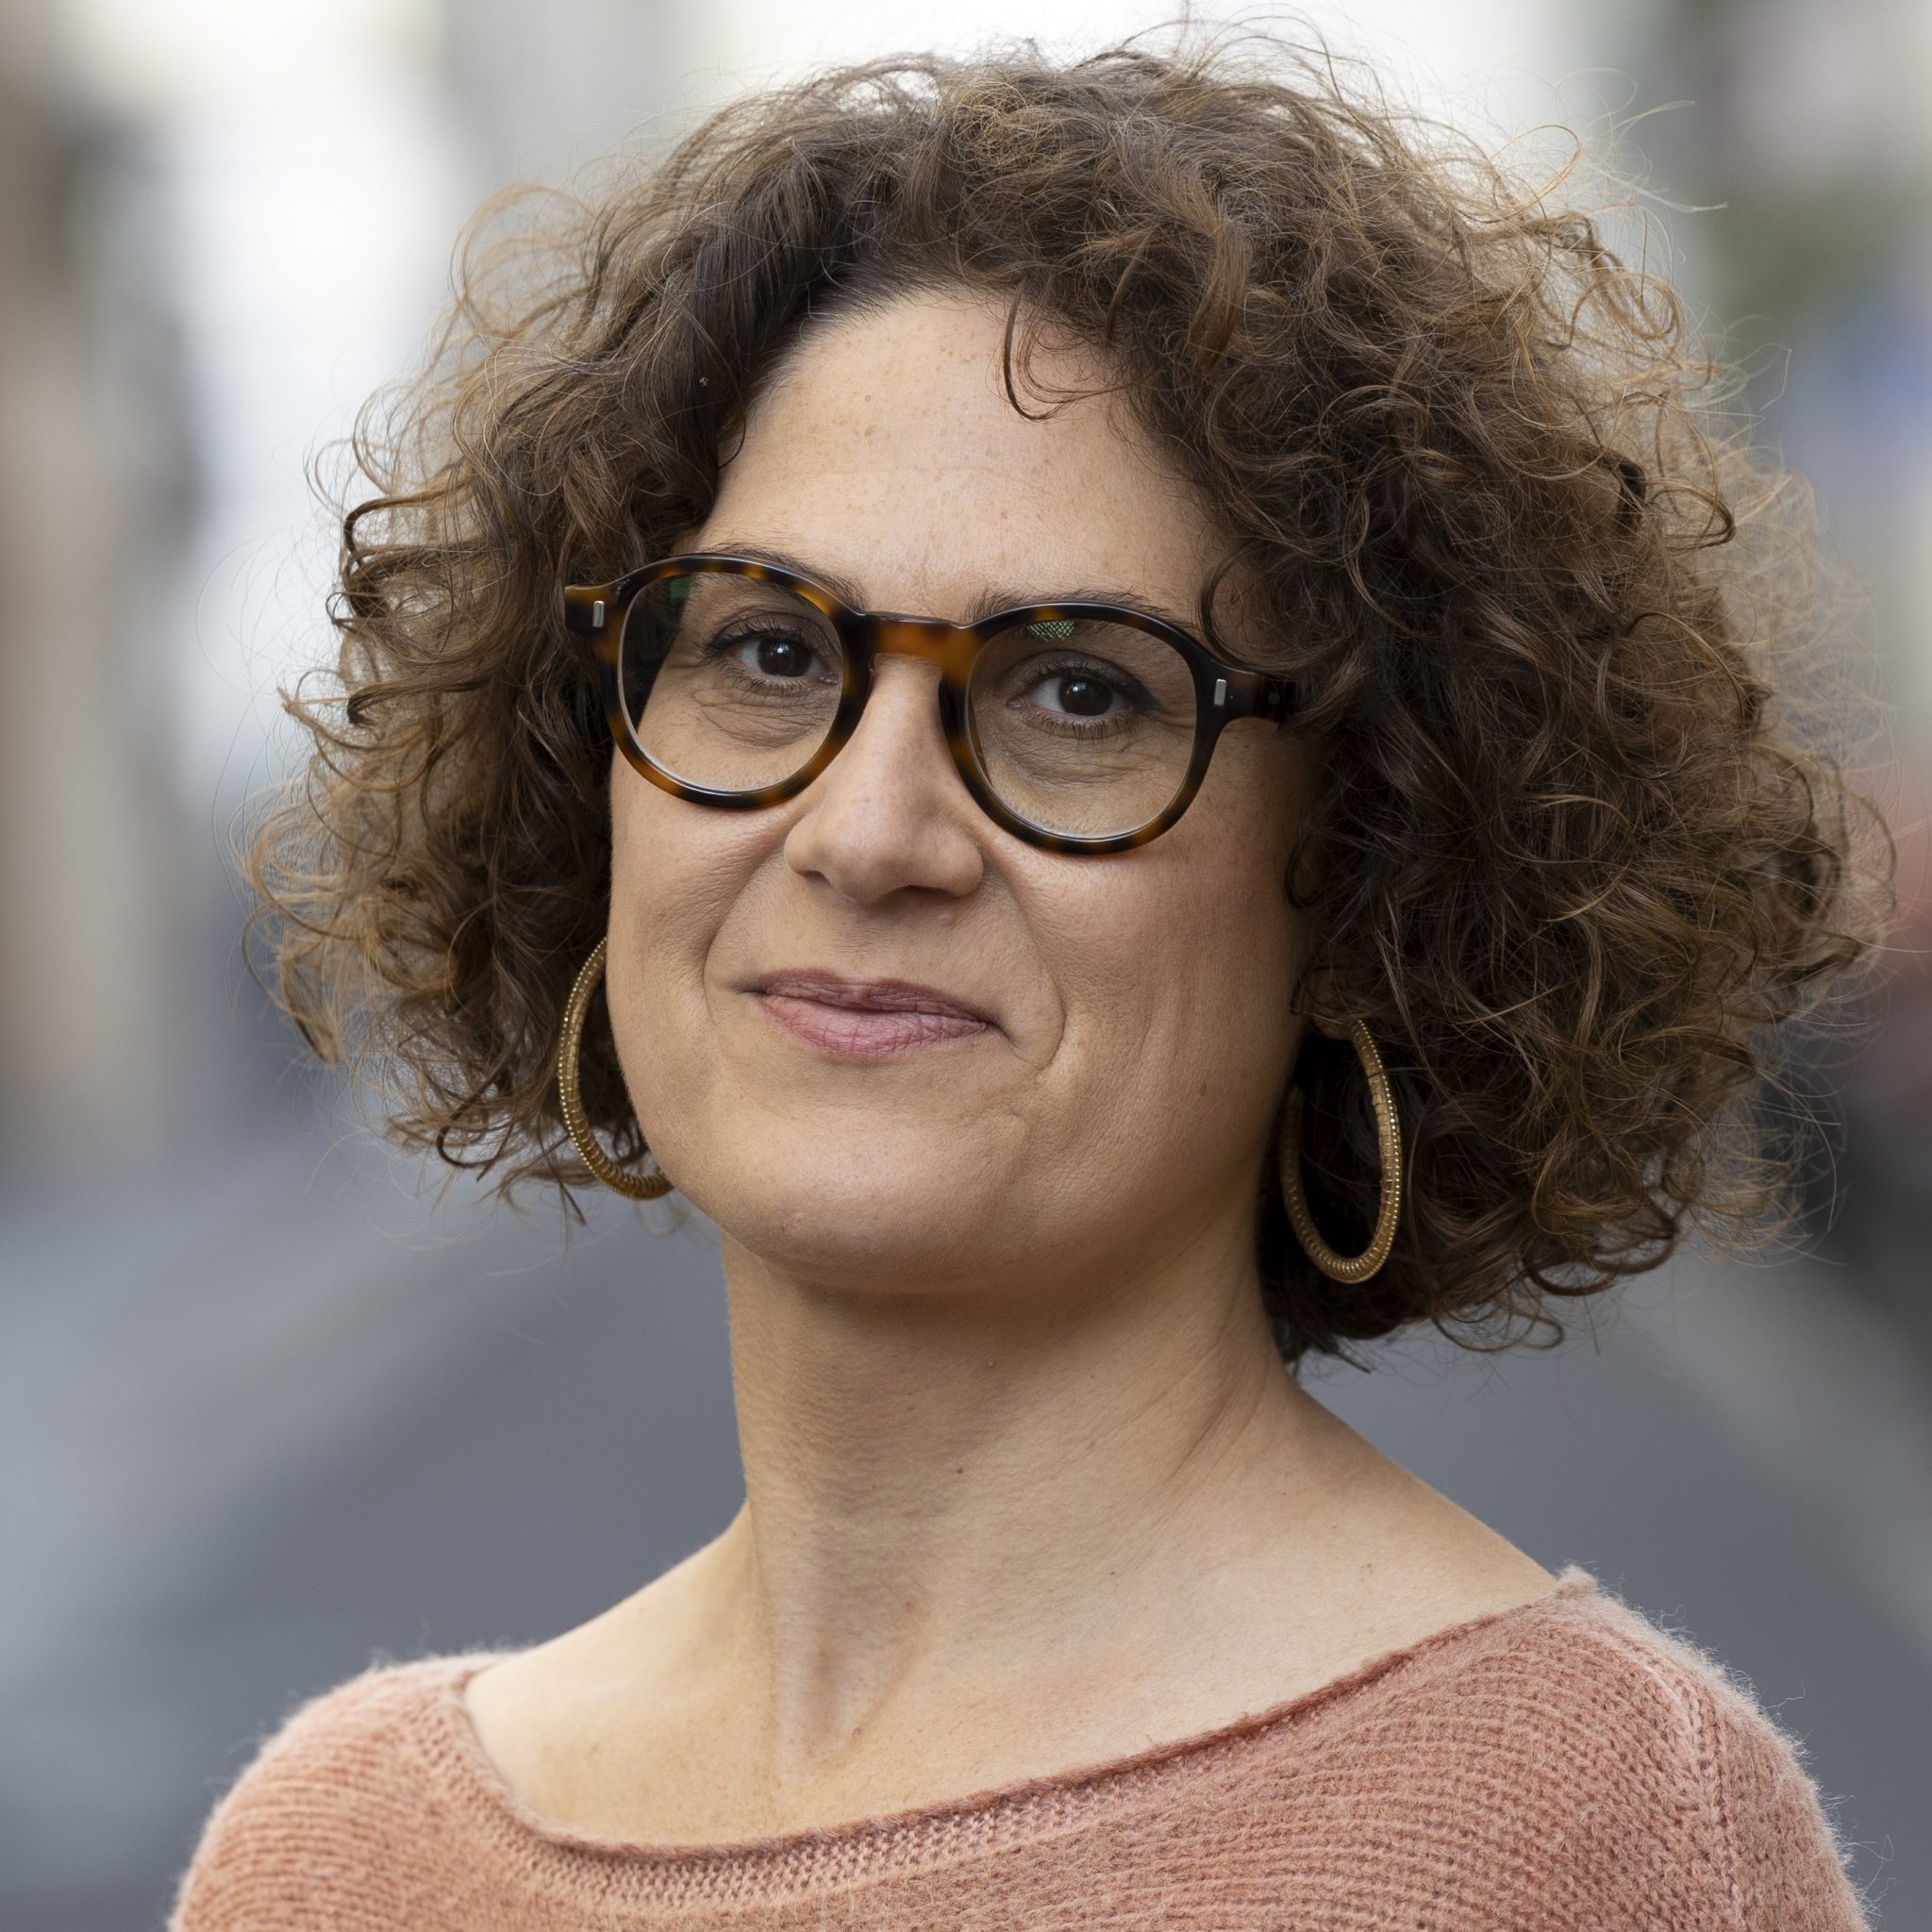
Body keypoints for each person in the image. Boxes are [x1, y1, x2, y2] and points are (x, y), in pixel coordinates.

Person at [170, 29, 1885, 1930]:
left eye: (1079, 691)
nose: (866, 831)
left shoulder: (1590, 1837)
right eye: (766, 653)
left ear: (1366, 874)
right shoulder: (337, 1859)